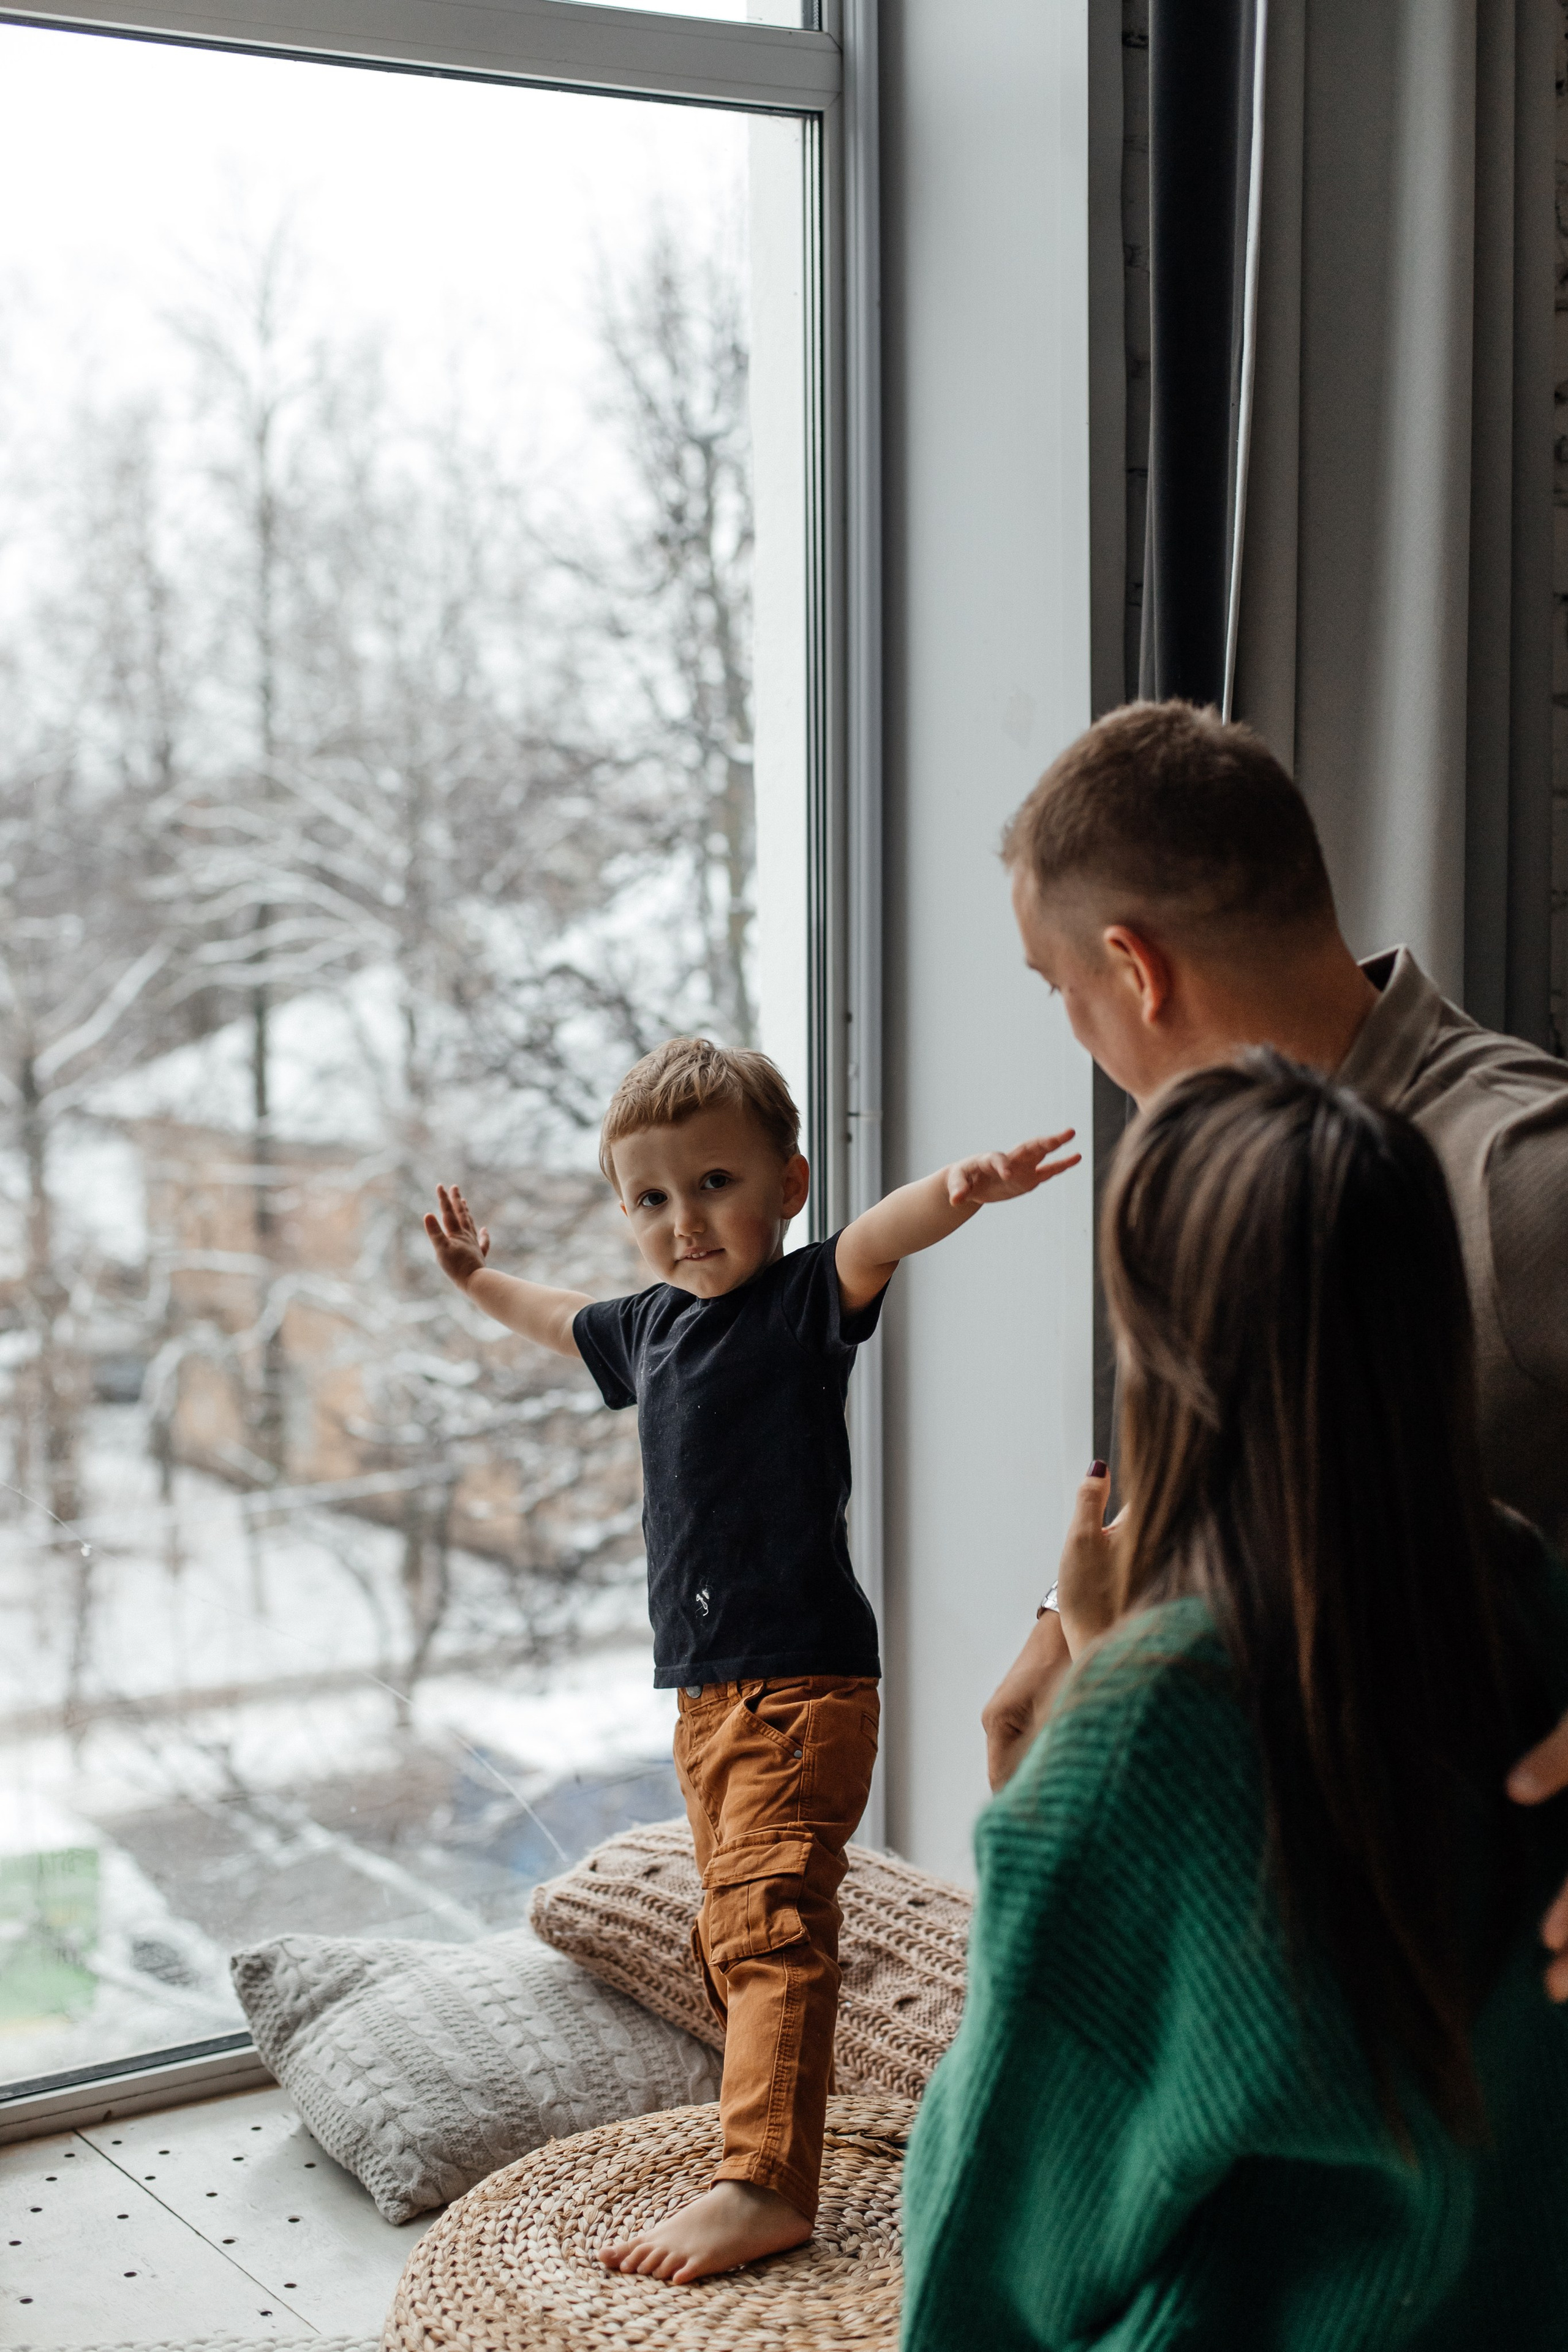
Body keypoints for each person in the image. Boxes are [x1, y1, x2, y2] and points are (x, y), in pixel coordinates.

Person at [902, 1054, 1568, 2351]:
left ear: (1160, 1347)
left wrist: (1105, 1698)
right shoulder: (1531, 1599)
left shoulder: (1149, 1733)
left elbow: (993, 2241)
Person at [423, 1035, 1080, 2283]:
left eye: (715, 1185)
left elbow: (877, 1238)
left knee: (770, 1926)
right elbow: (557, 1319)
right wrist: (474, 1281)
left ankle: (761, 2184)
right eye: (651, 1200)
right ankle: (760, 2138)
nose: (684, 1222)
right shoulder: (652, 1330)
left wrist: (963, 1187)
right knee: (733, 1935)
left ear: (786, 1184)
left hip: (800, 1682)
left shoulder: (794, 1304)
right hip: (708, 1695)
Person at [981, 700, 1568, 1994]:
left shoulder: (1518, 1174)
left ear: (1134, 972)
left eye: (1057, 993)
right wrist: (1071, 1619)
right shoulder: (1224, 1181)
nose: (1076, 1038)